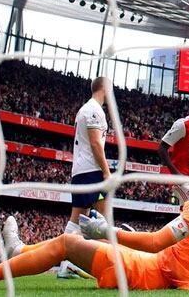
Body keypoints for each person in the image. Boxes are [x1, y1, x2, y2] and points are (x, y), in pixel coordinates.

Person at [0, 140, 189, 291]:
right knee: (77, 238)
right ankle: (19, 250)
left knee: (67, 243)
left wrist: (107, 231)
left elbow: (156, 243)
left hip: (154, 271)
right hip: (164, 267)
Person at [58, 76, 112, 279]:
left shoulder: (86, 109)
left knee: (76, 220)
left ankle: (65, 265)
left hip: (81, 172)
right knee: (104, 220)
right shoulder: (94, 110)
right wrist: (107, 172)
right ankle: (110, 266)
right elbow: (96, 144)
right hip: (92, 172)